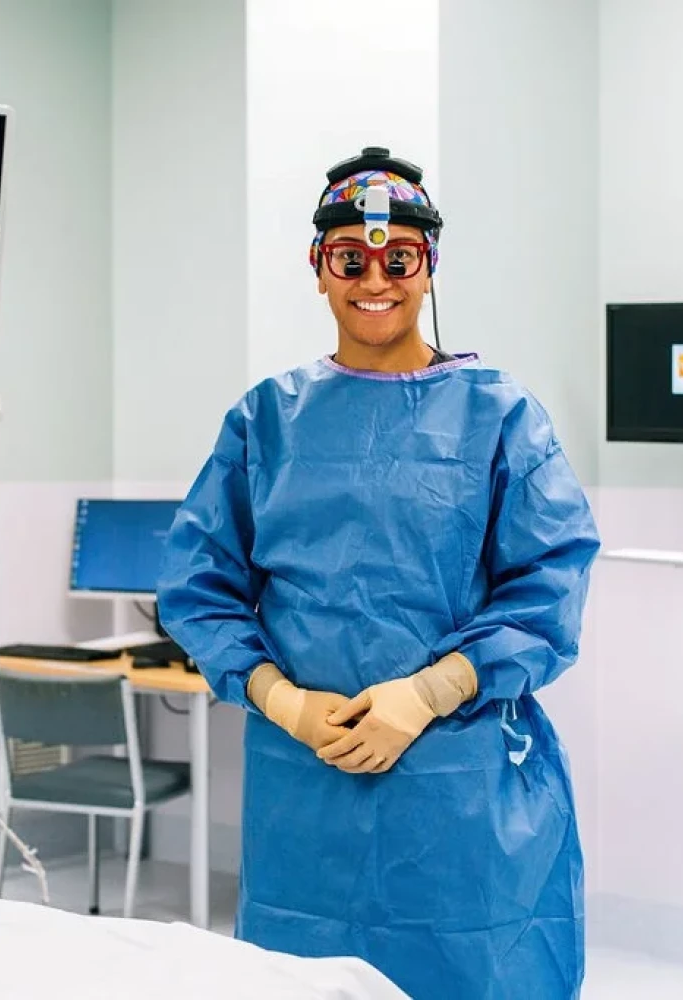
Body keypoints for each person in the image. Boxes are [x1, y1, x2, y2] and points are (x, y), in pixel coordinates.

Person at [157, 148, 600, 1000]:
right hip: (304, 795)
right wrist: (281, 698)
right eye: (350, 261)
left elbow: (549, 590)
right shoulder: (267, 421)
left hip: (460, 794)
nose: (375, 281)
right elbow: (198, 585)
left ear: (428, 268)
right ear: (317, 270)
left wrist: (428, 693)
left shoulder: (500, 415)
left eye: (398, 260)